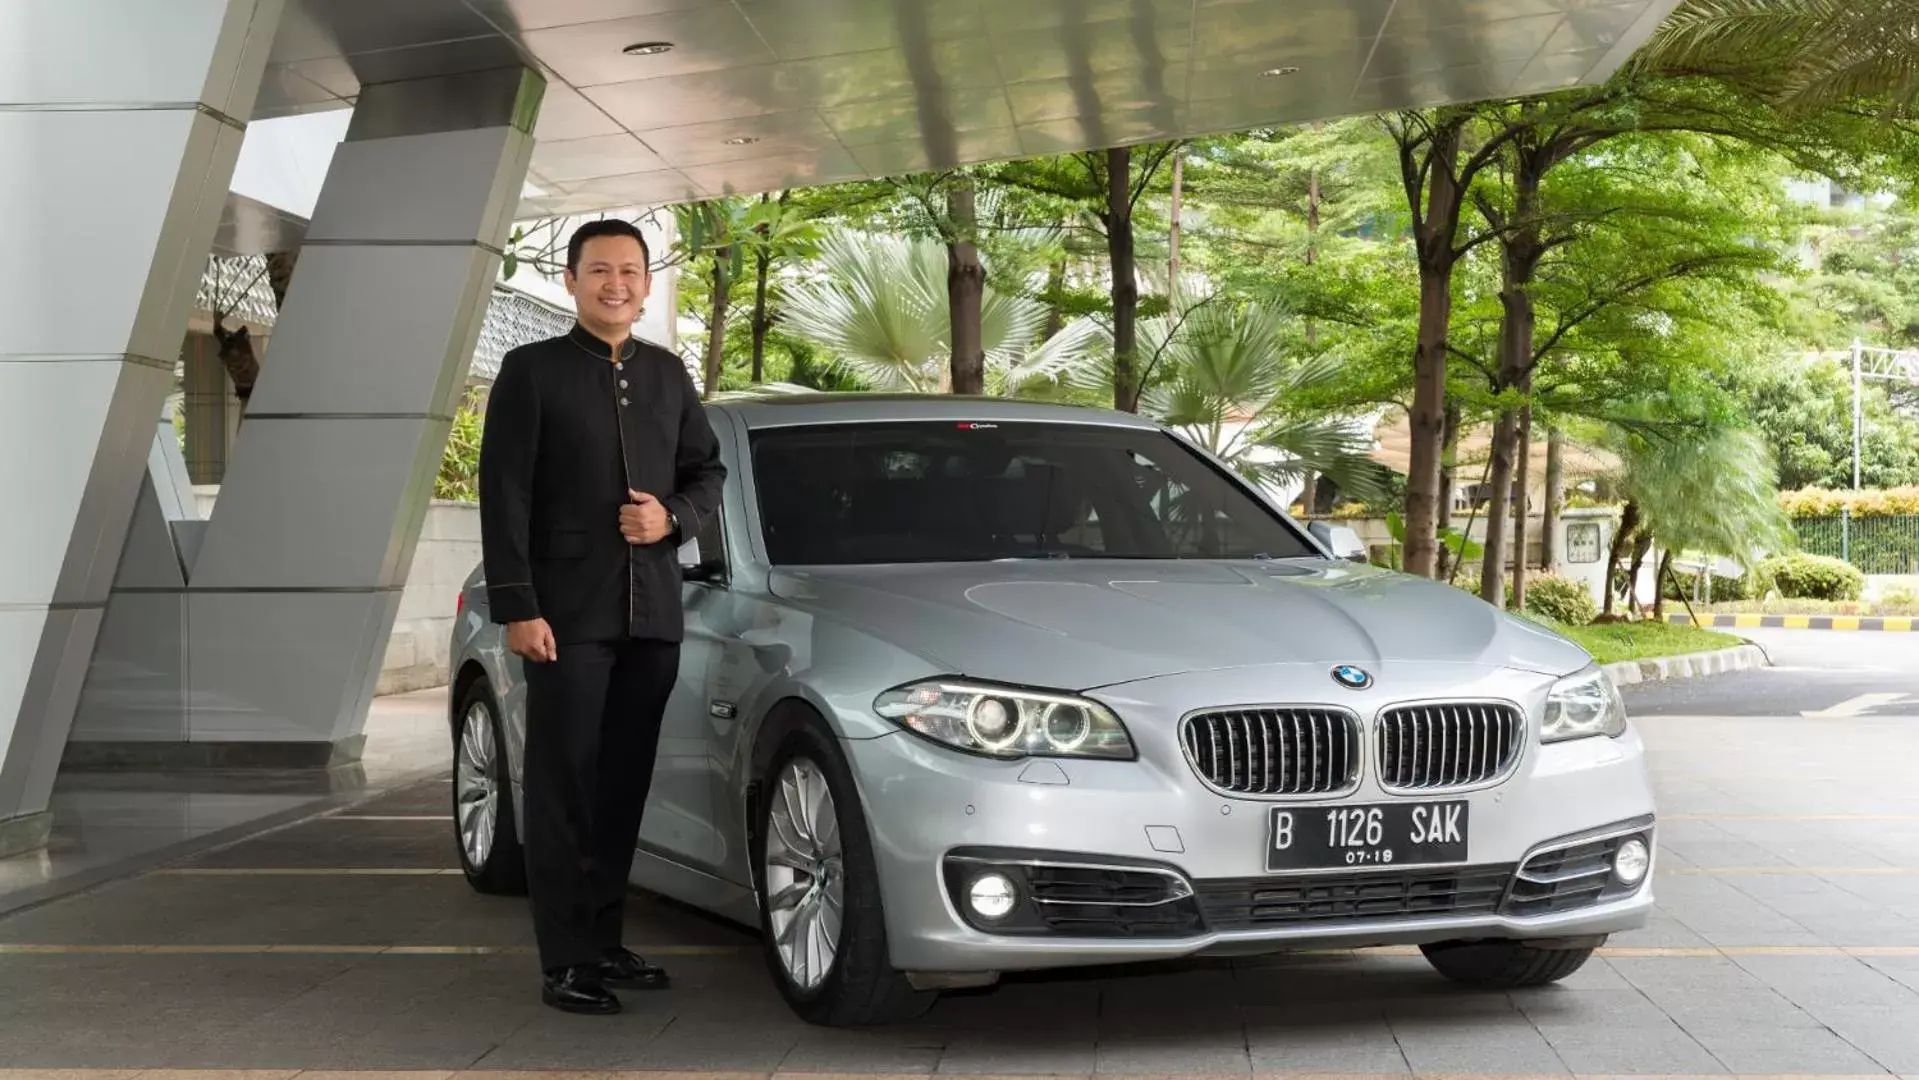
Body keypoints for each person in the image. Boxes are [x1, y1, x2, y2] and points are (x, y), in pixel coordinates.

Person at [477, 219, 726, 1015]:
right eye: (598, 271)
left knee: (622, 786)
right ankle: (565, 961)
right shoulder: (531, 370)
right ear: (571, 280)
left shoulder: (667, 373)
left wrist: (674, 519)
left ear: (647, 284)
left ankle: (606, 942)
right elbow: (504, 493)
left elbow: (706, 470)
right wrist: (517, 608)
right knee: (563, 787)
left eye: (629, 271)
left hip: (651, 615)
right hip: (565, 617)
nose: (615, 284)